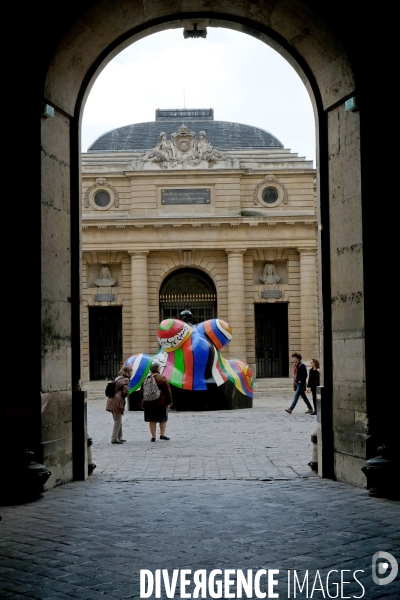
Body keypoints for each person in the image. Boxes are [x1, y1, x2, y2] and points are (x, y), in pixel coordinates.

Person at [140, 362, 173, 442]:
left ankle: (153, 436)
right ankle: (162, 434)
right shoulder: (162, 378)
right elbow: (167, 391)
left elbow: (142, 392)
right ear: (158, 369)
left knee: (152, 419)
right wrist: (169, 401)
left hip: (148, 402)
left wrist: (141, 402)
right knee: (163, 419)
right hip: (160, 402)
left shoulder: (145, 378)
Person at [106, 366, 132, 443]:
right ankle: (114, 438)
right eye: (131, 372)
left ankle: (119, 437)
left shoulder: (117, 378)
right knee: (117, 421)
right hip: (117, 401)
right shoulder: (125, 380)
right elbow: (126, 391)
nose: (131, 373)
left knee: (118, 419)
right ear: (128, 372)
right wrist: (124, 395)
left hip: (111, 400)